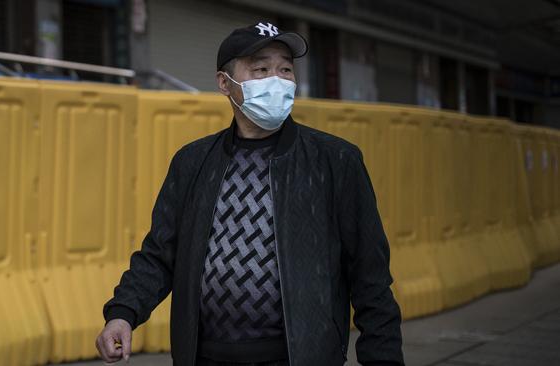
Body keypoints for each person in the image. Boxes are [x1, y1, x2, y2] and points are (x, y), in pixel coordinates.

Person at [96, 21, 404, 366]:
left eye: (285, 68)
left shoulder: (335, 161)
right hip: (205, 356)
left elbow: (370, 277)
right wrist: (123, 313)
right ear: (225, 83)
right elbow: (159, 254)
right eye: (261, 69)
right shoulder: (193, 162)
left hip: (299, 358)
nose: (277, 79)